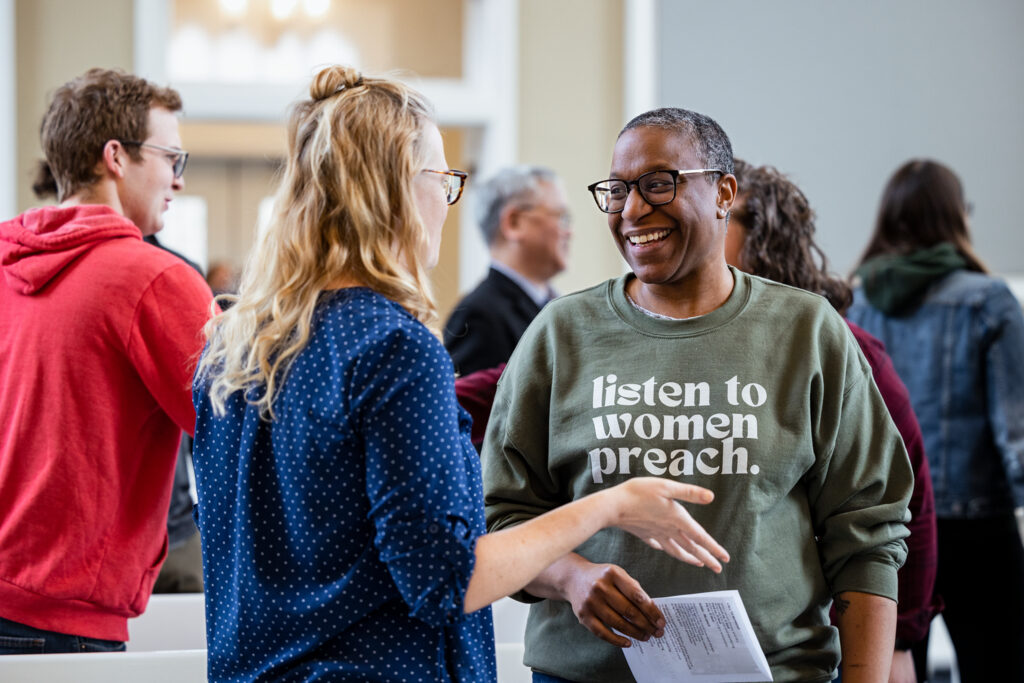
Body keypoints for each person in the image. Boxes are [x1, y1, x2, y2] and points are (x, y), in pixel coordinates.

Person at [191, 66, 730, 682]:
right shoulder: (392, 347)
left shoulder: (230, 350)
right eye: (442, 180)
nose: (446, 205)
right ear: (396, 188)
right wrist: (611, 505)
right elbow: (447, 580)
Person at [482, 107, 913, 683]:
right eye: (617, 191)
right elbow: (503, 516)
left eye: (659, 184)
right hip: (584, 675)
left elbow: (867, 531)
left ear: (724, 192)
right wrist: (571, 577)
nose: (633, 210)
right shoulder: (561, 334)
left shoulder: (806, 331)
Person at [0, 68, 213, 653]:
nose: (178, 180)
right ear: (115, 156)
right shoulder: (158, 278)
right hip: (60, 627)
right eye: (172, 158)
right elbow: (240, 432)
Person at [727, 160, 940, 683]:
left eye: (721, 214)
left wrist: (899, 643)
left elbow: (903, 503)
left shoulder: (841, 347)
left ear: (762, 237)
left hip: (836, 634)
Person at [847, 159, 1024, 682]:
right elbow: (1016, 434)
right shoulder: (988, 302)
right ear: (956, 218)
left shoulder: (853, 305)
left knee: (893, 673)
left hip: (887, 533)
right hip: (980, 530)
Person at [444, 165, 572, 375]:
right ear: (513, 222)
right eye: (561, 217)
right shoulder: (480, 316)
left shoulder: (553, 305)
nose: (569, 231)